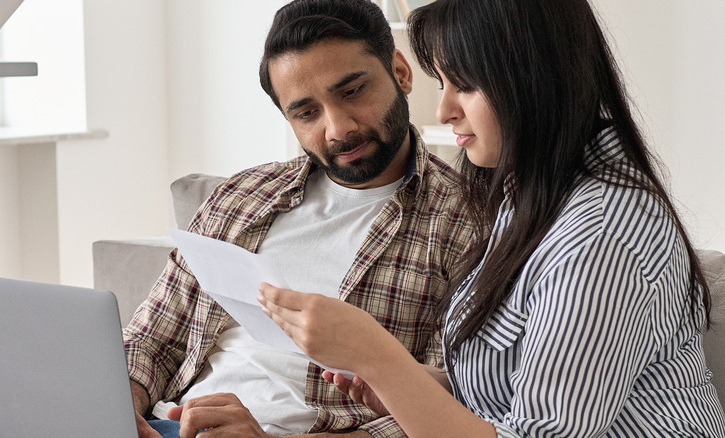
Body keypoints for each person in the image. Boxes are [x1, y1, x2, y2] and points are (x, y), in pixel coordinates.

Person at [259, 0, 725, 436]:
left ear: (533, 77)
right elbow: (507, 391)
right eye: (443, 84)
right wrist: (411, 387)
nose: (444, 111)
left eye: (464, 85)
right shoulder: (528, 198)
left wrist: (377, 356)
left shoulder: (601, 234)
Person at [122, 0, 473, 437]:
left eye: (352, 91)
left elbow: (452, 405)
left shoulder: (469, 222)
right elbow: (150, 341)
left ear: (400, 72)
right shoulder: (240, 198)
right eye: (307, 113)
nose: (338, 129)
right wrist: (117, 408)